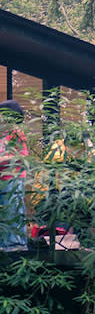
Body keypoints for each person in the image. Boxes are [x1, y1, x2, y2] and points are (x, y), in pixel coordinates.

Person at [0, 100, 29, 251]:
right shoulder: (2, 134)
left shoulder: (16, 133)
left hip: (13, 177)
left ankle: (16, 244)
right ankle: (5, 243)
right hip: (2, 179)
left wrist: (2, 160)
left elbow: (22, 155)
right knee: (4, 211)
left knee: (13, 209)